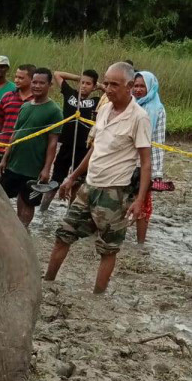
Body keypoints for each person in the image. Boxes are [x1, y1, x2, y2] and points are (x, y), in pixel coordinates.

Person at [45, 63, 152, 294]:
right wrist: (72, 177)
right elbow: (94, 149)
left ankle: (97, 296)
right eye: (107, 83)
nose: (109, 88)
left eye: (115, 84)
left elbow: (145, 162)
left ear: (130, 86)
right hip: (88, 186)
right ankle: (47, 282)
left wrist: (139, 200)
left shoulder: (139, 118)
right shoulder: (104, 110)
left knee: (108, 248)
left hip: (114, 192)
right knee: (63, 234)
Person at [0, 68, 63, 227]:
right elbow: (15, 134)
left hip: (33, 168)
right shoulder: (25, 106)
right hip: (14, 163)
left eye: (42, 83)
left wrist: (47, 169)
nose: (37, 86)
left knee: (26, 203)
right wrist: (5, 158)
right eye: (34, 82)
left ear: (50, 85)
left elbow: (53, 143)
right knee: (0, 197)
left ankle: (23, 233)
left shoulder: (54, 111)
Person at [47, 69, 100, 204]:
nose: (83, 86)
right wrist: (78, 77)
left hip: (83, 148)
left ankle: (71, 211)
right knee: (55, 180)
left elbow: (109, 93)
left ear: (94, 87)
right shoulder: (70, 94)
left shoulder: (96, 101)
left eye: (88, 84)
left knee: (77, 182)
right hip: (66, 145)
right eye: (82, 83)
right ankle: (44, 209)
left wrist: (99, 86)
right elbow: (57, 74)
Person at [132, 71, 165, 244]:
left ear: (150, 87)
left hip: (143, 164)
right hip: (125, 161)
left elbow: (158, 143)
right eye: (135, 86)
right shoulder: (129, 105)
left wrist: (157, 173)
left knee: (143, 204)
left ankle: (140, 244)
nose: (138, 90)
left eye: (142, 86)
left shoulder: (157, 109)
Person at [0, 64, 35, 173]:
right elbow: (0, 122)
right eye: (16, 77)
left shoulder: (36, 101)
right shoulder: (7, 97)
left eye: (21, 78)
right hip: (1, 148)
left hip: (22, 152)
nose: (17, 80)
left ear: (32, 79)